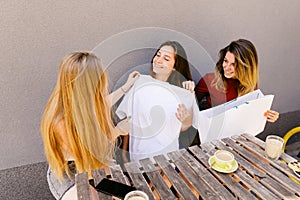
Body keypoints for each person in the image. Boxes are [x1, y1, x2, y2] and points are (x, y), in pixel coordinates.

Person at [41, 51, 139, 200]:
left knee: (128, 194)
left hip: (95, 166)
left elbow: (102, 104)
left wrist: (126, 87)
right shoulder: (59, 122)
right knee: (88, 196)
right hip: (70, 172)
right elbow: (86, 155)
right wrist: (117, 131)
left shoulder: (85, 103)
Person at [118, 41, 199, 162]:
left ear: (175, 67)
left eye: (166, 58)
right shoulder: (140, 83)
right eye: (158, 55)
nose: (158, 60)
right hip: (139, 156)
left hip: (167, 158)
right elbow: (127, 121)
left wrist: (189, 95)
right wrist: (124, 156)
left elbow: (184, 127)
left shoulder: (182, 93)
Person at [195, 39, 279, 122]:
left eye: (234, 64)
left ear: (246, 67)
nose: (227, 68)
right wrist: (189, 90)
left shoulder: (251, 85)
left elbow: (252, 113)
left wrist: (267, 116)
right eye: (225, 61)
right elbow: (190, 107)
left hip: (238, 131)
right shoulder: (210, 80)